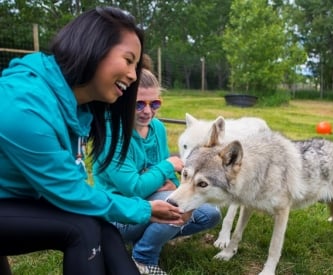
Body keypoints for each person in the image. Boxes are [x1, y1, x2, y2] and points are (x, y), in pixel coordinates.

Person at [0, 7, 185, 275]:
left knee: (100, 226)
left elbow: (74, 188)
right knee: (81, 228)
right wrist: (144, 209)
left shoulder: (77, 108)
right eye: (128, 60)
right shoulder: (24, 109)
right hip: (10, 202)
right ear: (93, 48)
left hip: (12, 200)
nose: (134, 75)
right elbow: (72, 194)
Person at [93, 68, 221, 275]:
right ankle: (143, 258)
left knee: (210, 214)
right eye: (139, 104)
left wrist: (171, 183)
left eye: (155, 104)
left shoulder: (157, 128)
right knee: (177, 206)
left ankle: (148, 238)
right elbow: (134, 188)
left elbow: (169, 181)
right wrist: (168, 166)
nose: (148, 111)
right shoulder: (111, 134)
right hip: (118, 214)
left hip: (146, 203)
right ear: (122, 100)